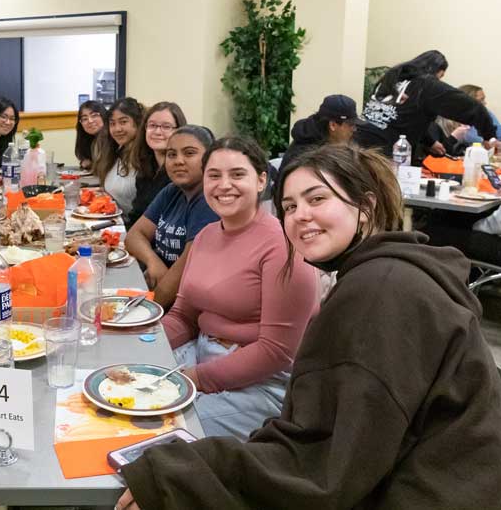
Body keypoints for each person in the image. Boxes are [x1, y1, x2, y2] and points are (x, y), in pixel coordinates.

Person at [117, 144, 501, 510]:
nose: (300, 215)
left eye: (317, 199)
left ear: (364, 206)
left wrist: (177, 472)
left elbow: (323, 469)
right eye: (290, 206)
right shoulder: (382, 272)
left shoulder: (379, 291)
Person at [162, 136, 318, 440]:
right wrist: (147, 343)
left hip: (263, 380)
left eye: (237, 174)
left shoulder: (283, 245)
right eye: (214, 175)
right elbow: (183, 314)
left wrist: (194, 379)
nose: (224, 185)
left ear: (261, 180)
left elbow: (276, 352)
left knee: (166, 433)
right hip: (202, 355)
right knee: (122, 386)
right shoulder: (206, 235)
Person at [125, 125, 218, 294]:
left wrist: (148, 309)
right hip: (156, 286)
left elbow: (181, 275)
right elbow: (134, 236)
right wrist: (153, 261)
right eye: (171, 154)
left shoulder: (208, 201)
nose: (178, 161)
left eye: (189, 153)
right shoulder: (172, 191)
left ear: (209, 158)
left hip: (181, 303)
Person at [355, 50, 497, 156]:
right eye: (440, 77)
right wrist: (488, 135)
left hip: (357, 141)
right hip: (383, 152)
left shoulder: (392, 77)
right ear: (438, 72)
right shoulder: (427, 85)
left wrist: (430, 142)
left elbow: (406, 116)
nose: (439, 81)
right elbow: (473, 108)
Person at [127, 101, 187, 225]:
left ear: (179, 130)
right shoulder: (145, 168)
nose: (158, 132)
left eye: (166, 127)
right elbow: (136, 214)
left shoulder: (181, 173)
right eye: (152, 125)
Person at [280, 94, 363, 172]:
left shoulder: (326, 144)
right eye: (351, 125)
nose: (354, 129)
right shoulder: (306, 156)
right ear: (333, 125)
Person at [95, 97, 144, 220]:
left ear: (138, 123)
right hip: (113, 220)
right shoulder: (117, 152)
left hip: (132, 227)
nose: (117, 129)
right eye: (112, 123)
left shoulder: (145, 158)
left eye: (123, 122)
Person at [74, 100, 108, 171]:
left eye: (94, 115)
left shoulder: (111, 137)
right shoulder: (89, 139)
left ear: (104, 115)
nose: (90, 121)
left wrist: (91, 164)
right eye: (84, 119)